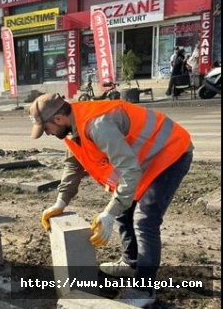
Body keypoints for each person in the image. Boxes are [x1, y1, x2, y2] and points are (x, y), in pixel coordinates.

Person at [31, 93, 193, 307]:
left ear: (59, 119)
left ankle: (143, 290)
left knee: (145, 221)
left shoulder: (98, 125)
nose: (48, 134)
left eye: (47, 129)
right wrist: (61, 201)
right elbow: (73, 164)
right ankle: (131, 262)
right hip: (144, 162)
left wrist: (109, 212)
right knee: (124, 209)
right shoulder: (72, 127)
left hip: (171, 154)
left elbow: (129, 172)